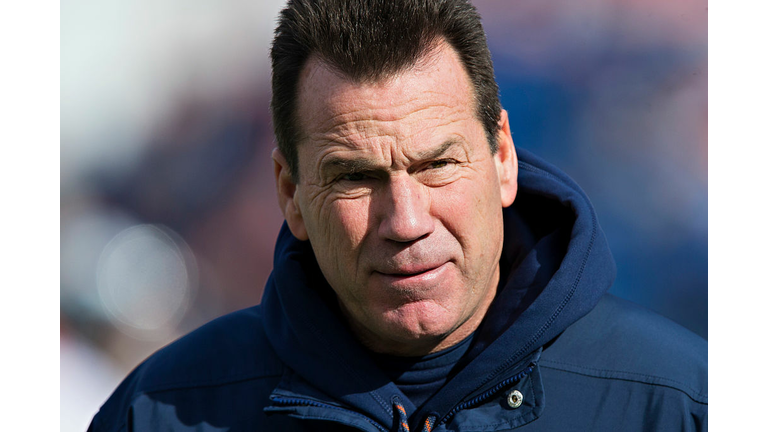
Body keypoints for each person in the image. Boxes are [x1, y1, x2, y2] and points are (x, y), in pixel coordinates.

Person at [89, 1, 707, 430]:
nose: (406, 222)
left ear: (502, 159)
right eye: (355, 177)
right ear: (290, 193)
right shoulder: (163, 411)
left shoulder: (677, 403)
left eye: (437, 164)